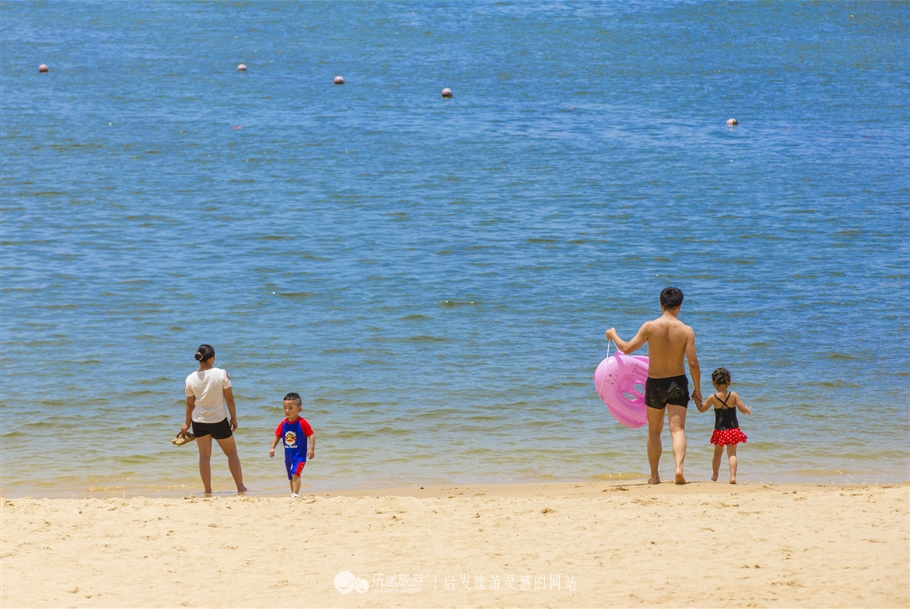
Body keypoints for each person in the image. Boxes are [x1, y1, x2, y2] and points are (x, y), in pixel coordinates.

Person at [605, 287, 702, 485]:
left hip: (655, 384)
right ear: (680, 306)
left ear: (660, 304)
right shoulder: (686, 331)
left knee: (654, 431)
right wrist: (698, 389)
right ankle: (678, 469)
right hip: (677, 382)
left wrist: (613, 334)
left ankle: (655, 476)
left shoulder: (649, 327)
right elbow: (693, 363)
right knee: (678, 430)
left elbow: (626, 348)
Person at [182, 344, 247, 494]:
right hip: (219, 421)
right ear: (212, 358)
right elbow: (229, 399)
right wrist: (234, 418)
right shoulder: (221, 374)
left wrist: (186, 424)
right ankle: (240, 487)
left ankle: (207, 490)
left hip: (199, 422)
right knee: (232, 454)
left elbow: (189, 404)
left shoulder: (190, 378)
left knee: (204, 456)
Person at [696, 367, 751, 484]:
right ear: (729, 382)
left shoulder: (713, 398)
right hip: (733, 430)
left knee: (717, 453)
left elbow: (701, 409)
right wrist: (747, 411)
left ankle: (715, 475)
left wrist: (696, 399)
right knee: (732, 454)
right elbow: (742, 409)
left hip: (719, 430)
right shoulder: (734, 395)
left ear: (713, 383)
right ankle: (732, 477)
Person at [269, 392, 316, 498]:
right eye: (284, 408)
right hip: (288, 456)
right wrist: (272, 448)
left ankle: (295, 494)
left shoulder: (302, 423)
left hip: (299, 456)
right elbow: (277, 435)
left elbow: (311, 435)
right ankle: (293, 493)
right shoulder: (284, 423)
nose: (287, 410)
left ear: (299, 409)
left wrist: (311, 449)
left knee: (296, 473)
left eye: (290, 408)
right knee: (290, 476)